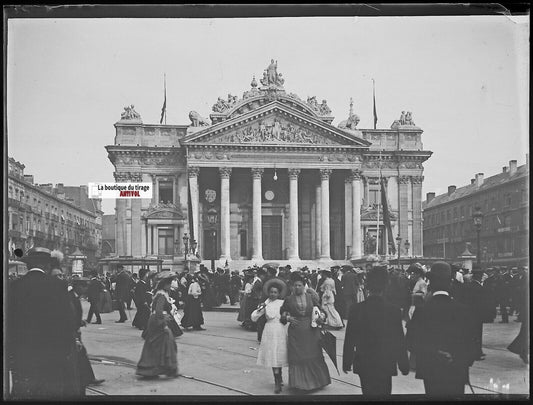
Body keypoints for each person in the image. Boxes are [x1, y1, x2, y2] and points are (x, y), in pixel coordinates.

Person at [7, 247, 79, 399]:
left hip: (23, 353)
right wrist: (66, 349)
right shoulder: (58, 286)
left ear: (27, 265)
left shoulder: (14, 286)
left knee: (24, 393)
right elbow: (68, 320)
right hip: (52, 353)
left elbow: (9, 322)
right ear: (47, 266)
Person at [406, 261, 477, 396]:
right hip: (456, 370)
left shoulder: (422, 311)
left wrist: (434, 353)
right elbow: (472, 345)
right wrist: (455, 357)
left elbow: (411, 342)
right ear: (450, 283)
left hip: (431, 370)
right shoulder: (463, 310)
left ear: (431, 284)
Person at [343, 266, 409, 396]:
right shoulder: (393, 310)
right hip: (385, 362)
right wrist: (403, 364)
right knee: (384, 393)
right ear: (385, 286)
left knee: (367, 394)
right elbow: (399, 340)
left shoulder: (356, 309)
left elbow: (350, 338)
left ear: (367, 286)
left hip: (364, 362)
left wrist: (347, 361)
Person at [280, 272, 331, 392]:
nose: (297, 287)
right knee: (298, 356)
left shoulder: (311, 297)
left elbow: (321, 311)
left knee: (313, 354)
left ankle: (317, 381)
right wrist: (288, 318)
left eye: (299, 285)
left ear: (304, 286)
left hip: (311, 331)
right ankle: (299, 384)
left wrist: (321, 317)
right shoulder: (288, 299)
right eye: (295, 285)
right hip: (296, 332)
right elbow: (282, 314)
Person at [136, 276, 179, 379]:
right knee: (167, 343)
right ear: (165, 285)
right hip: (158, 321)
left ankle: (153, 368)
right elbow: (159, 310)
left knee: (157, 345)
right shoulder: (161, 295)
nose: (170, 286)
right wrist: (163, 322)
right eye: (169, 284)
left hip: (155, 320)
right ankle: (167, 368)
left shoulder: (160, 294)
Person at [251, 278, 289, 394]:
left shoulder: (283, 303)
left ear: (279, 293)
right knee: (273, 355)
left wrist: (286, 317)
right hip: (269, 331)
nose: (273, 294)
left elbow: (288, 316)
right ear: (268, 292)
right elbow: (253, 318)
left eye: (275, 292)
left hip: (281, 330)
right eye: (271, 292)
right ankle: (277, 381)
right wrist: (260, 308)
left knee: (280, 353)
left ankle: (280, 376)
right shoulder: (265, 304)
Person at [68, 278, 105, 393]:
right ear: (78, 286)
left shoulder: (74, 296)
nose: (86, 289)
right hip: (72, 333)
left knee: (81, 355)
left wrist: (80, 322)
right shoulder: (69, 297)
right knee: (79, 355)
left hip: (75, 330)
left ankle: (88, 378)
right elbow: (70, 315)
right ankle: (86, 378)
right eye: (84, 287)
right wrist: (77, 327)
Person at [460, 264, 492, 360]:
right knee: (477, 334)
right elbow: (482, 303)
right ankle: (476, 353)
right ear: (480, 276)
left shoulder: (468, 286)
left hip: (470, 314)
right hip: (477, 315)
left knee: (472, 334)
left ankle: (476, 351)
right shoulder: (480, 288)